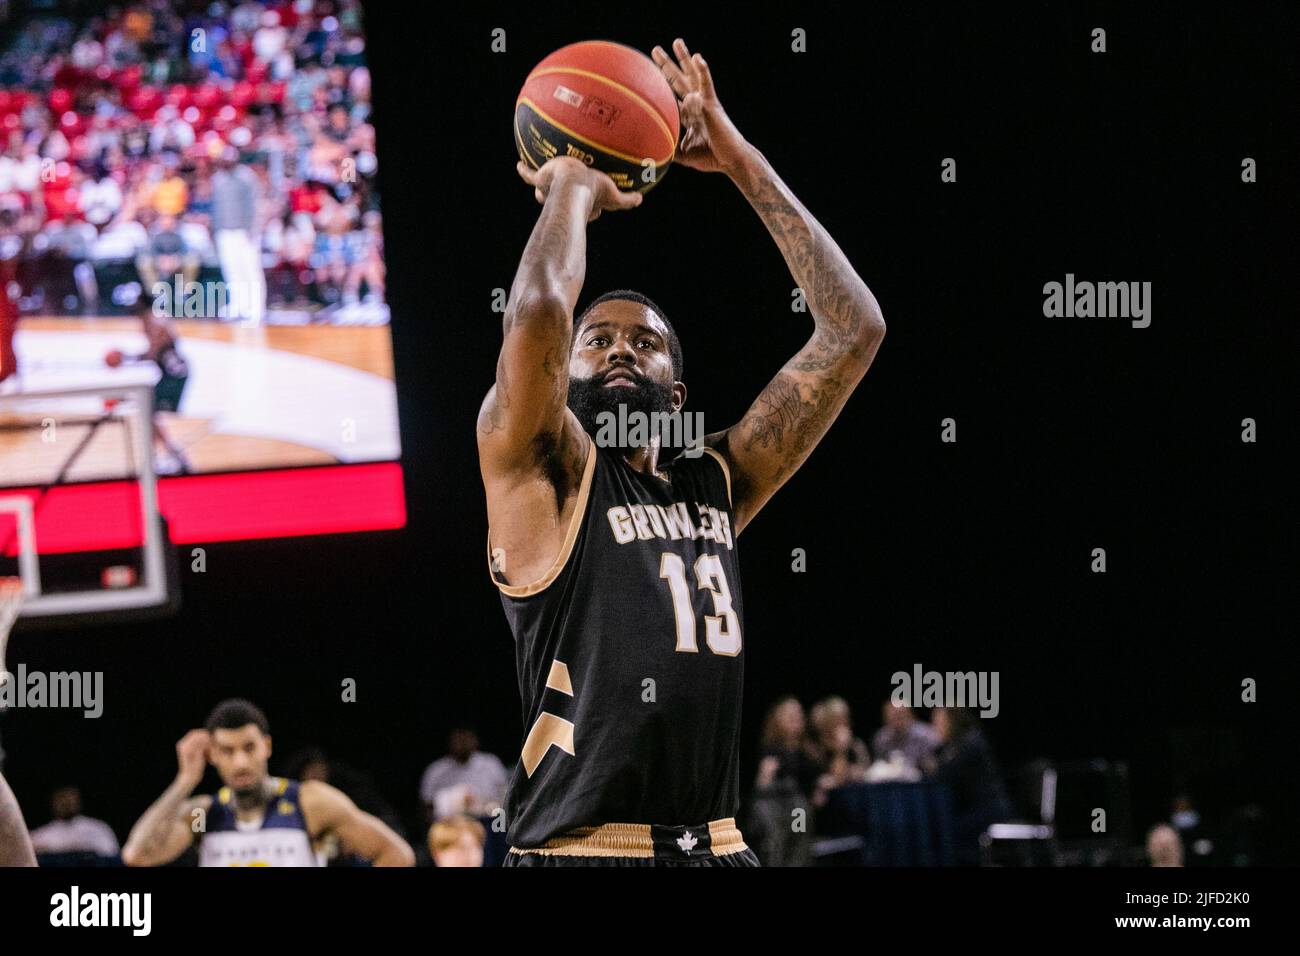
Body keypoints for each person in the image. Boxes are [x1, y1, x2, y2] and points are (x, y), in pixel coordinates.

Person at [480, 39, 885, 866]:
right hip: (582, 852)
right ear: (564, 373)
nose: (622, 351)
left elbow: (854, 330)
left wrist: (740, 162)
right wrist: (571, 184)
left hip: (722, 846)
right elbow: (537, 315)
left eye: (646, 343)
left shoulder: (716, 481)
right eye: (597, 342)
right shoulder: (542, 469)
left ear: (677, 394)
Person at [122, 698, 414, 867]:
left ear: (267, 747)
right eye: (227, 751)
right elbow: (138, 854)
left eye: (249, 748)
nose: (240, 762)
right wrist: (185, 780)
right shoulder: (204, 815)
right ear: (213, 755)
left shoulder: (309, 802)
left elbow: (395, 854)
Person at [925, 707, 1014, 865]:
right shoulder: (957, 744)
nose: (935, 727)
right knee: (939, 828)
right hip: (973, 809)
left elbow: (943, 775)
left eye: (938, 721)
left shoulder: (971, 743)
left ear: (952, 721)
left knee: (944, 832)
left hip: (988, 810)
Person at [419, 728, 508, 824]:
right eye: (459, 740)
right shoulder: (436, 770)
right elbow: (426, 804)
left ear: (475, 741)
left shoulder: (491, 763)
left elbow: (505, 794)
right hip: (450, 824)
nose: (463, 744)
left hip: (489, 821)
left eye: (467, 739)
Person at [29, 786, 120, 859]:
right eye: (62, 798)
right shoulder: (42, 834)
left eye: (70, 797)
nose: (66, 802)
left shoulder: (99, 829)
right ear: (54, 802)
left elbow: (111, 857)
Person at [872, 700, 940, 772]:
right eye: (892, 717)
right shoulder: (882, 738)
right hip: (892, 780)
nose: (896, 720)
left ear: (910, 715)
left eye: (900, 715)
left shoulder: (927, 735)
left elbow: (935, 763)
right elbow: (879, 764)